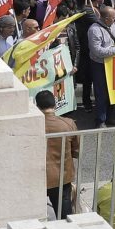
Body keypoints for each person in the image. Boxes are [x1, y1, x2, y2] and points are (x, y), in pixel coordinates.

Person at [36, 89, 79, 218]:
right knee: (65, 218)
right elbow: (76, 151)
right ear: (55, 105)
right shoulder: (68, 123)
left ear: (37, 107)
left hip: (37, 177)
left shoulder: (31, 125)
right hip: (62, 177)